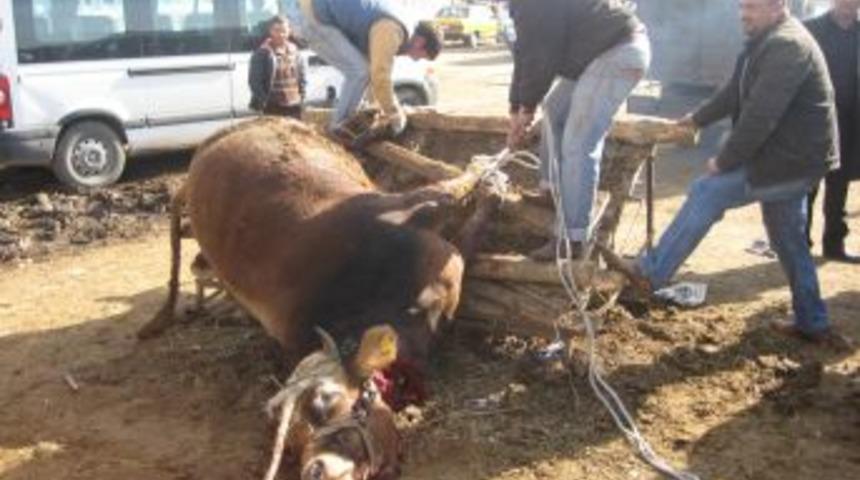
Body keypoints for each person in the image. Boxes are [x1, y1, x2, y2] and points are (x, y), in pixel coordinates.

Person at [628, 0, 844, 345]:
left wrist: (726, 160)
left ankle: (649, 276)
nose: (744, 14)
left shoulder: (787, 46)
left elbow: (761, 116)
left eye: (753, 7)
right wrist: (696, 118)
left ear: (779, 7)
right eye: (743, 6)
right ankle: (812, 321)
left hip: (791, 161)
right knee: (788, 242)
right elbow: (733, 92)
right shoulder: (765, 39)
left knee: (707, 191)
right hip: (788, 157)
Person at [506, 0, 651, 260]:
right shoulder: (517, 6)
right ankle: (551, 190)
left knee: (579, 142)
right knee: (553, 110)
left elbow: (542, 57)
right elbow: (524, 54)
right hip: (593, 55)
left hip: (619, 51)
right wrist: (515, 108)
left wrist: (526, 109)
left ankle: (573, 239)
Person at [284, 0, 442, 133]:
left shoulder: (391, 25)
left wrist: (379, 108)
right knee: (358, 72)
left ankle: (344, 123)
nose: (415, 60)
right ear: (421, 43)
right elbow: (379, 75)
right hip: (311, 17)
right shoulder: (392, 30)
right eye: (421, 57)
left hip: (314, 14)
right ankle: (337, 129)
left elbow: (375, 76)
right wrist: (394, 114)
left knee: (361, 70)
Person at [804, 0, 860, 263]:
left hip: (850, 122)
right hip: (814, 121)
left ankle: (834, 246)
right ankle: (799, 244)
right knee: (807, 185)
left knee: (839, 184)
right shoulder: (811, 30)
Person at [248, 16, 306, 119]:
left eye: (284, 30)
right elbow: (254, 82)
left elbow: (302, 76)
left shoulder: (295, 51)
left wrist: (302, 95)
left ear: (289, 31)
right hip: (273, 107)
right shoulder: (262, 53)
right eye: (277, 30)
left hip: (294, 105)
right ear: (270, 31)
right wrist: (265, 102)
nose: (281, 34)